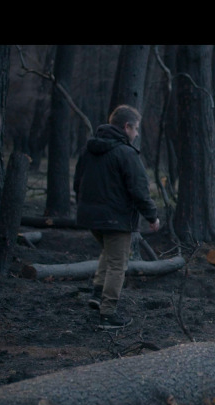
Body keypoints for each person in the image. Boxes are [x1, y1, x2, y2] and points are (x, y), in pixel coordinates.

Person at [74, 104, 160, 330]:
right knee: (118, 264)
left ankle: (97, 293)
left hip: (91, 217)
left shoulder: (89, 150)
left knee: (108, 254)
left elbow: (77, 182)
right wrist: (152, 216)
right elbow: (139, 190)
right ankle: (108, 313)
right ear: (126, 126)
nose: (137, 133)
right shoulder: (126, 153)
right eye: (136, 129)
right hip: (116, 219)